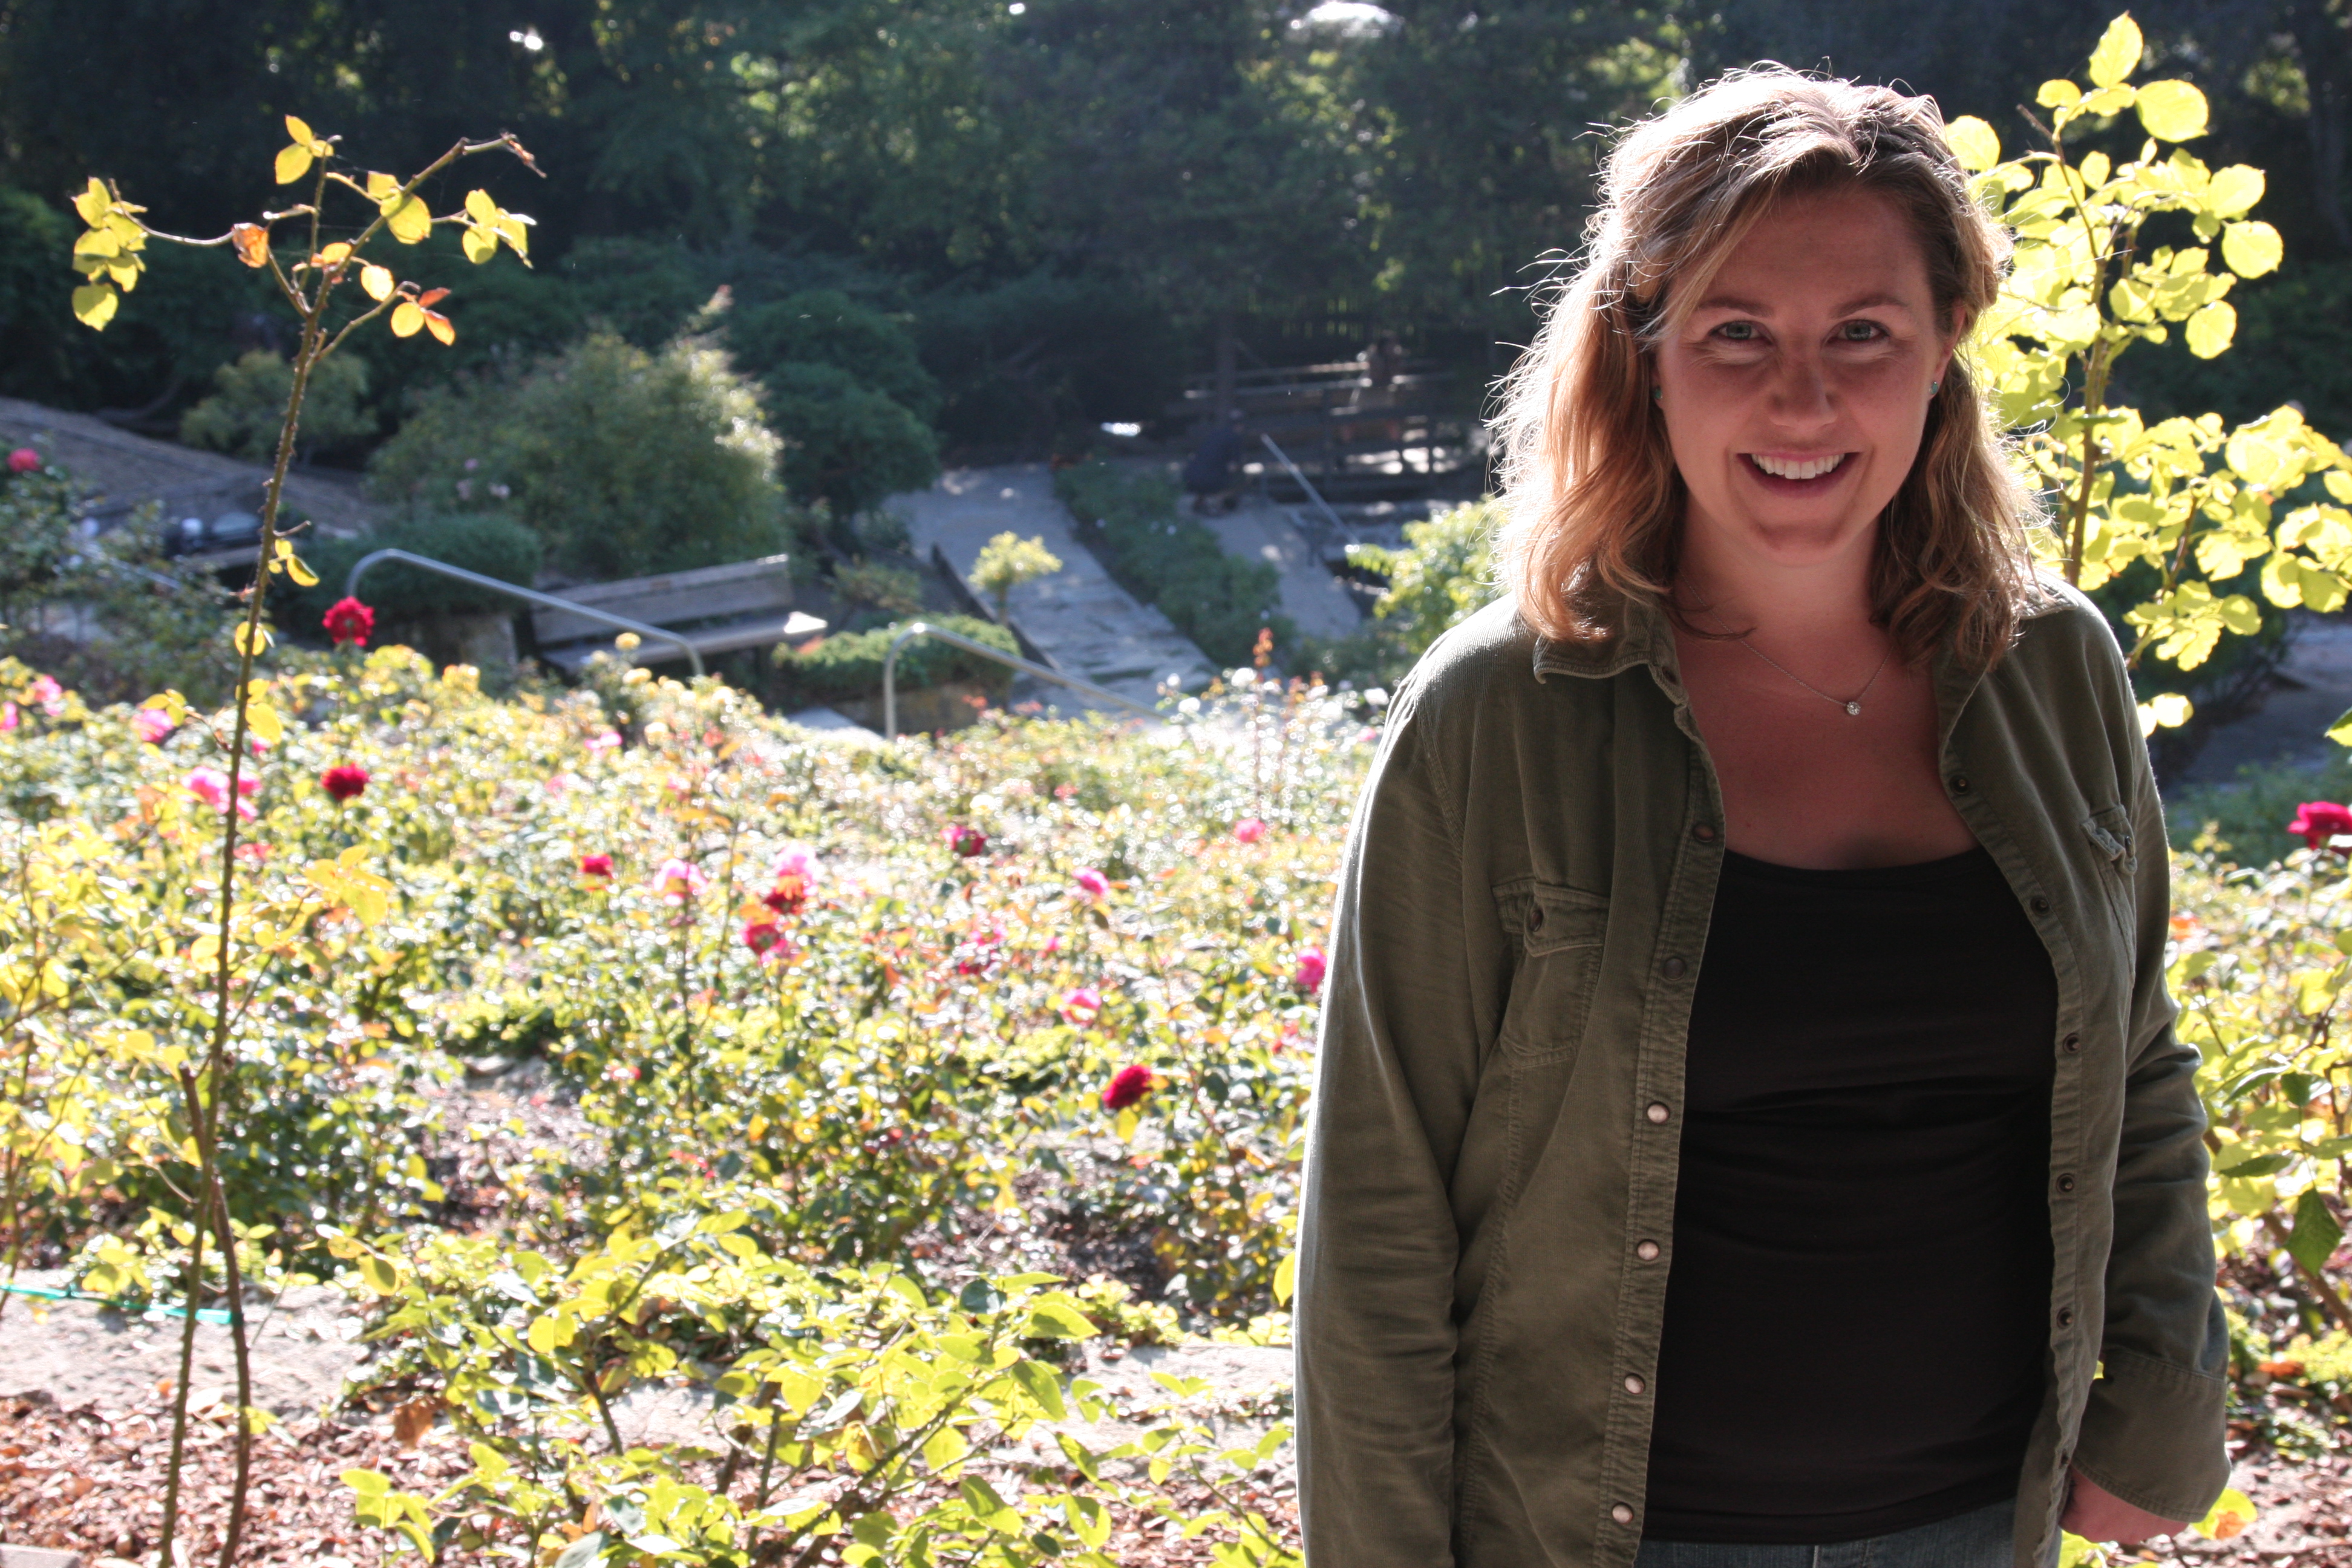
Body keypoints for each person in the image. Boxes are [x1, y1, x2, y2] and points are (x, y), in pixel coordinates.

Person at [1294, 70, 2228, 1568]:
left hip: (1975, 1522)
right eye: (1737, 332)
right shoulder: (1497, 714)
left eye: (1863, 332)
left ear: (1944, 349)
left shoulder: (2054, 669)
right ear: (1645, 353)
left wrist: (2164, 1387)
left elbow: (2135, 1060)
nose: (1804, 399)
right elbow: (1378, 1209)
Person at [1184, 407, 1249, 515]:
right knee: (1242, 478)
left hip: (1189, 478)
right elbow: (1233, 468)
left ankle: (1200, 501)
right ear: (1241, 426)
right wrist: (1242, 463)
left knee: (1207, 472)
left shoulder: (1214, 434)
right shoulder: (1235, 438)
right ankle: (1215, 503)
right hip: (1210, 481)